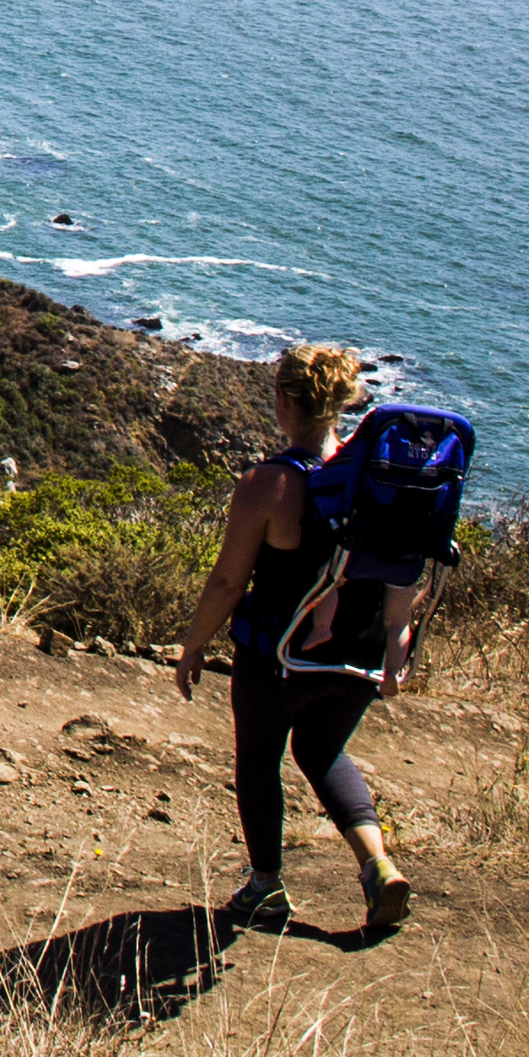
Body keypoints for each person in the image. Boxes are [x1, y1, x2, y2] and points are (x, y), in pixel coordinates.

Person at [174, 339, 419, 936]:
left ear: (284, 401)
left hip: (277, 659)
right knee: (321, 750)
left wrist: (195, 643)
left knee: (260, 756)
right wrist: (393, 649)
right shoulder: (378, 486)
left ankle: (265, 888)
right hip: (354, 661)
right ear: (339, 404)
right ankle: (377, 865)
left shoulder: (269, 484)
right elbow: (401, 579)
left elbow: (231, 580)